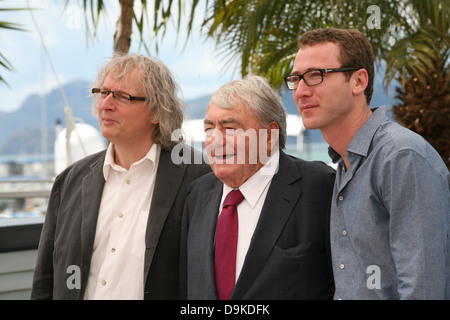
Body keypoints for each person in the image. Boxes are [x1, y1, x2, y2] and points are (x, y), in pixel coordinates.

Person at [285, 27, 450, 299]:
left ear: (358, 81)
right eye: (295, 79)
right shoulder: (345, 165)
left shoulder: (401, 157)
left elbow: (424, 289)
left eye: (315, 76)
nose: (300, 91)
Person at [31, 54, 210, 300]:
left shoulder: (199, 178)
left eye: (122, 96)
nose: (106, 104)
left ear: (157, 111)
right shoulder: (70, 181)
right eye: (103, 93)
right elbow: (45, 281)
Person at [180, 75, 335, 300]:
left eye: (230, 128)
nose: (215, 140)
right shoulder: (197, 194)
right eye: (209, 129)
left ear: (269, 135)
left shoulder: (319, 186)